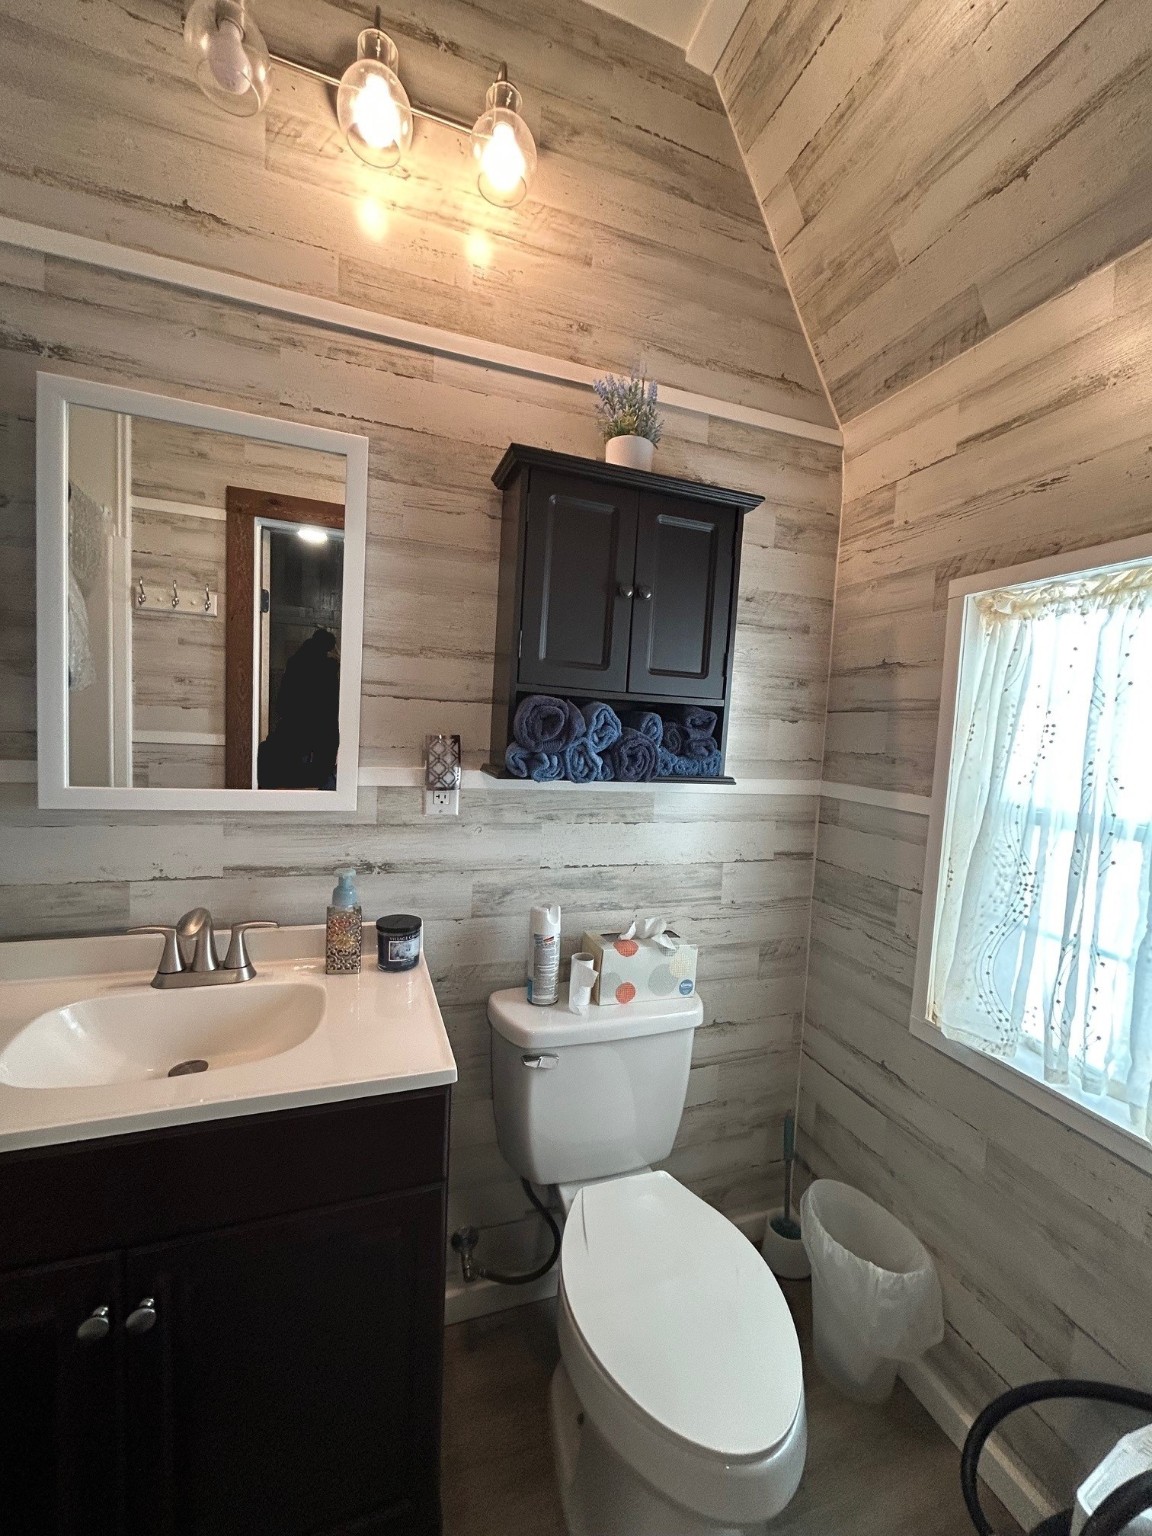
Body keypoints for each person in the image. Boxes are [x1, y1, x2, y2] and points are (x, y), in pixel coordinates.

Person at [257, 627, 340, 789]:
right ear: (328, 648)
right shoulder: (328, 669)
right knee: (320, 779)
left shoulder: (296, 662)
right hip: (319, 732)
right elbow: (332, 707)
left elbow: (282, 702)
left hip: (293, 730)